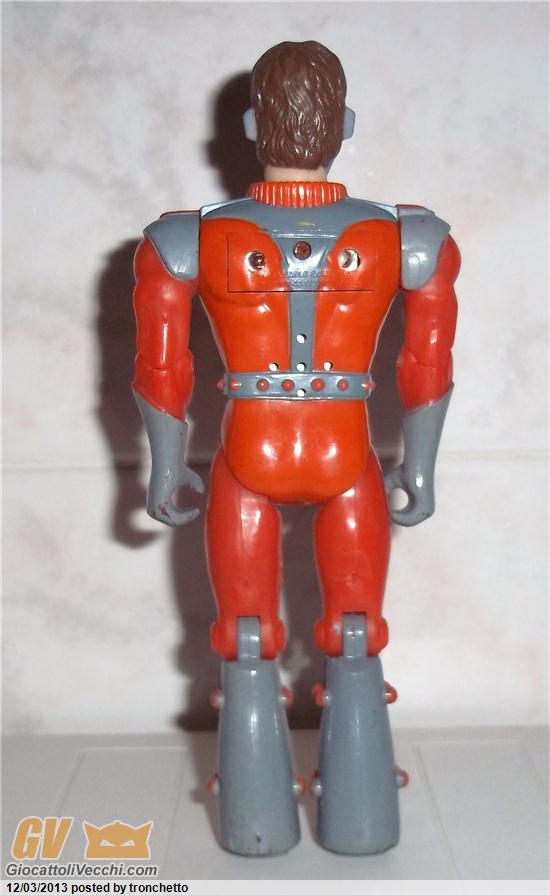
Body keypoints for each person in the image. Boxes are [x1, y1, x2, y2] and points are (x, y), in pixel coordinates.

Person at [133, 40, 460, 856]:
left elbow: (162, 369)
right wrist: (418, 465)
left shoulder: (182, 242)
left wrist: (167, 466)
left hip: (247, 454)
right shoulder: (409, 238)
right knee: (355, 632)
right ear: (344, 127)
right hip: (348, 455)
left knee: (245, 637)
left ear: (251, 127)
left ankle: (256, 834)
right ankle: (362, 826)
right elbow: (427, 364)